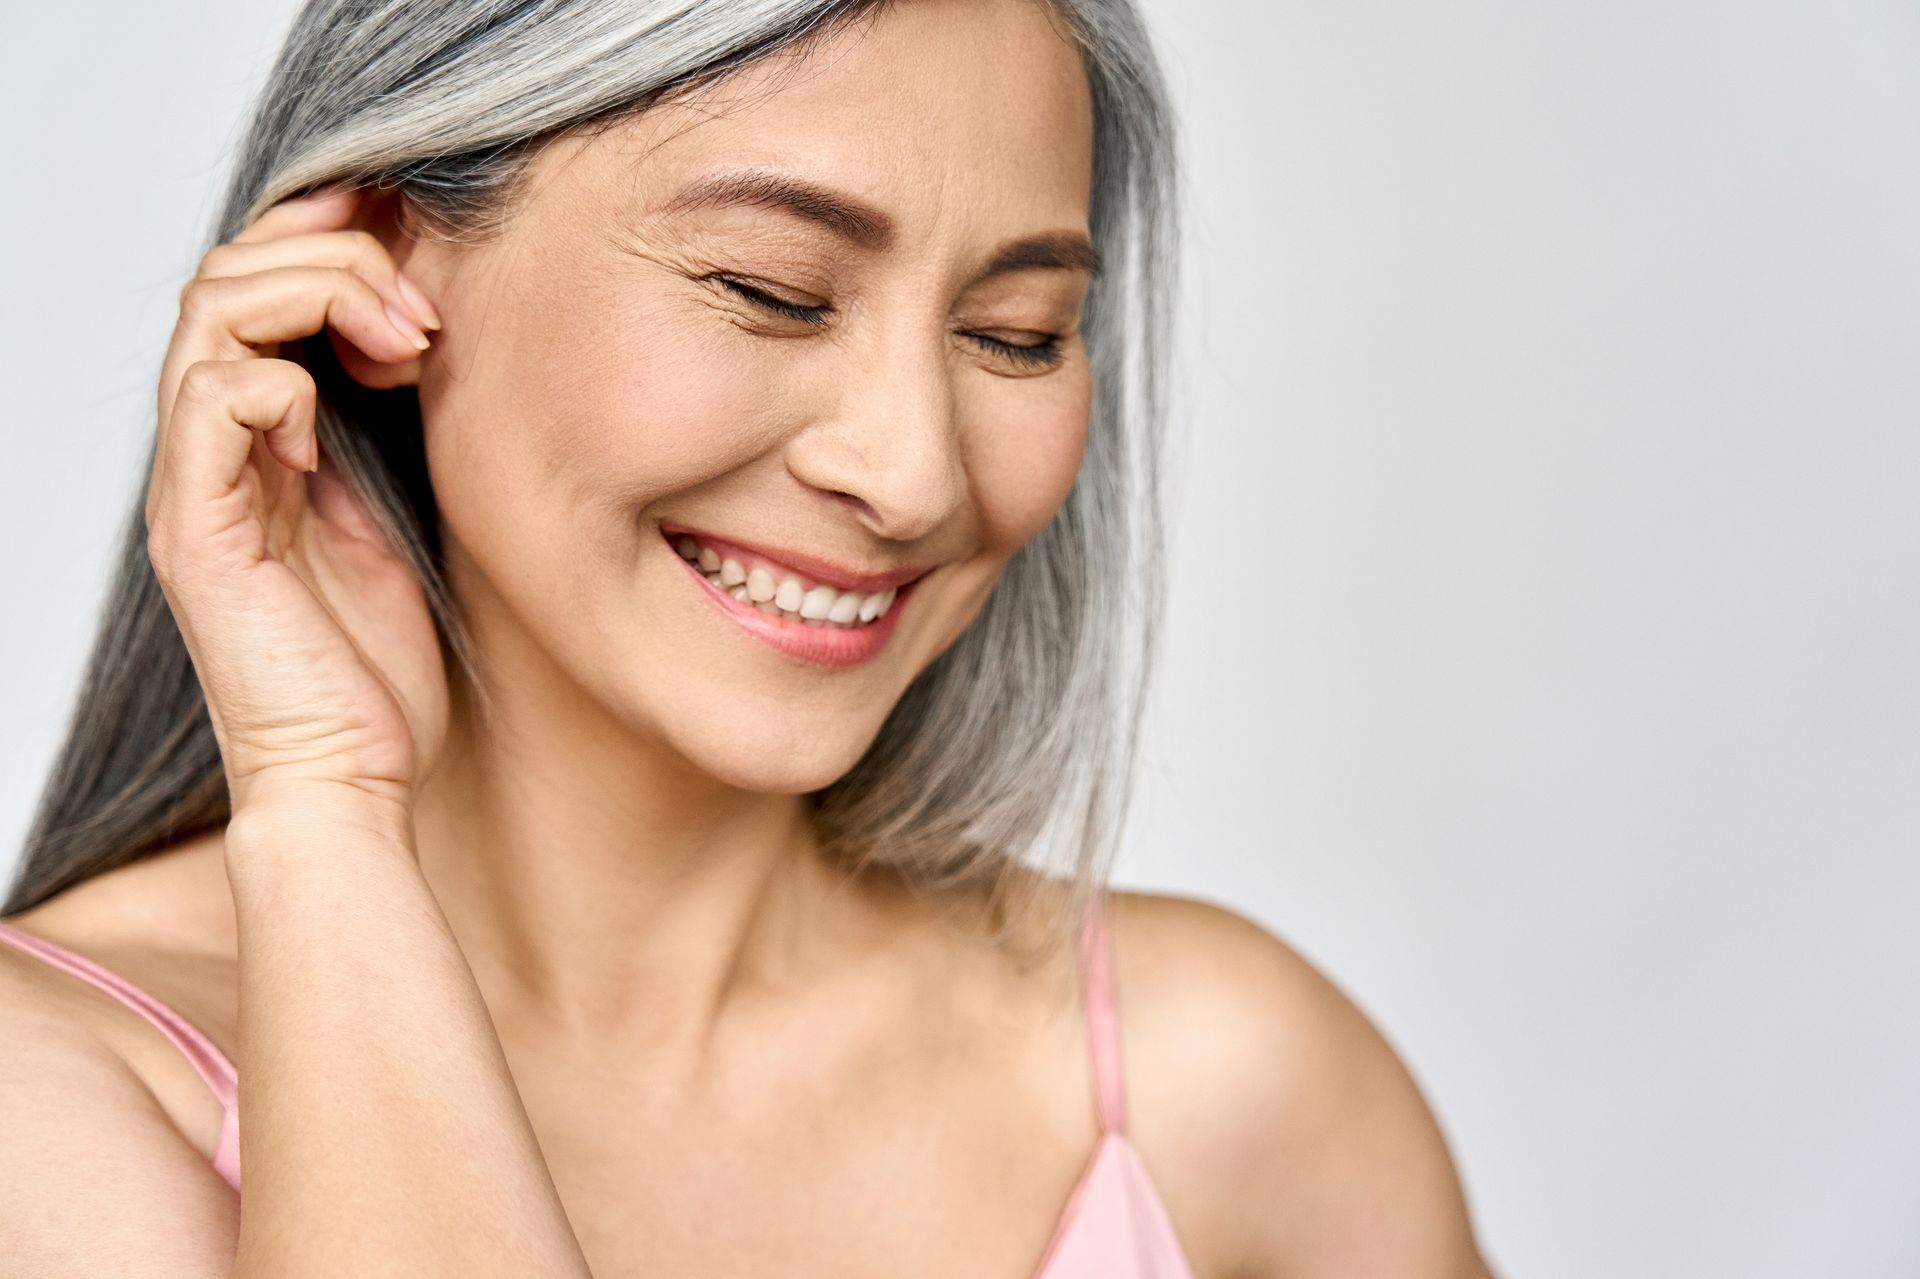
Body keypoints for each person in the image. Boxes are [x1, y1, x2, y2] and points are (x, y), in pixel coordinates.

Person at [0, 0, 1496, 1274]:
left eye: (1017, 332)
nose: (912, 474)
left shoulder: (1231, 1090)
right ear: (385, 263)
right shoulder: (55, 1103)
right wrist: (325, 804)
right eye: (770, 293)